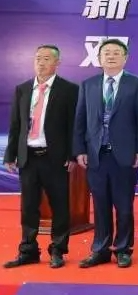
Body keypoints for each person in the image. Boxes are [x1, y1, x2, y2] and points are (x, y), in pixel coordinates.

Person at [72, 38, 138, 269]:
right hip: (96, 154)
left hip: (124, 155)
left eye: (117, 52)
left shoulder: (137, 85)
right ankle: (101, 250)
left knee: (124, 206)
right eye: (107, 53)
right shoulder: (88, 84)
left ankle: (123, 249)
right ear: (99, 58)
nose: (111, 56)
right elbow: (80, 120)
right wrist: (79, 149)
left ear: (125, 58)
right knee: (100, 205)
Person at [3, 45, 79, 269]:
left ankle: (58, 250)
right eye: (38, 58)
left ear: (57, 63)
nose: (41, 63)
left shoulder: (69, 90)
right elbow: (15, 124)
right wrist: (10, 154)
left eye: (47, 59)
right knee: (28, 207)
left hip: (55, 158)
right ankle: (28, 250)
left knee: (60, 206)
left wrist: (72, 155)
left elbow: (73, 125)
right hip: (28, 157)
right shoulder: (23, 89)